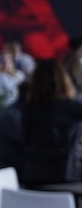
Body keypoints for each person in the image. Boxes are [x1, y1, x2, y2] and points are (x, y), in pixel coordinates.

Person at [18, 59, 82, 188]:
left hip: (33, 179)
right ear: (63, 81)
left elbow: (26, 140)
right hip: (66, 177)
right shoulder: (70, 107)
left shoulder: (28, 109)